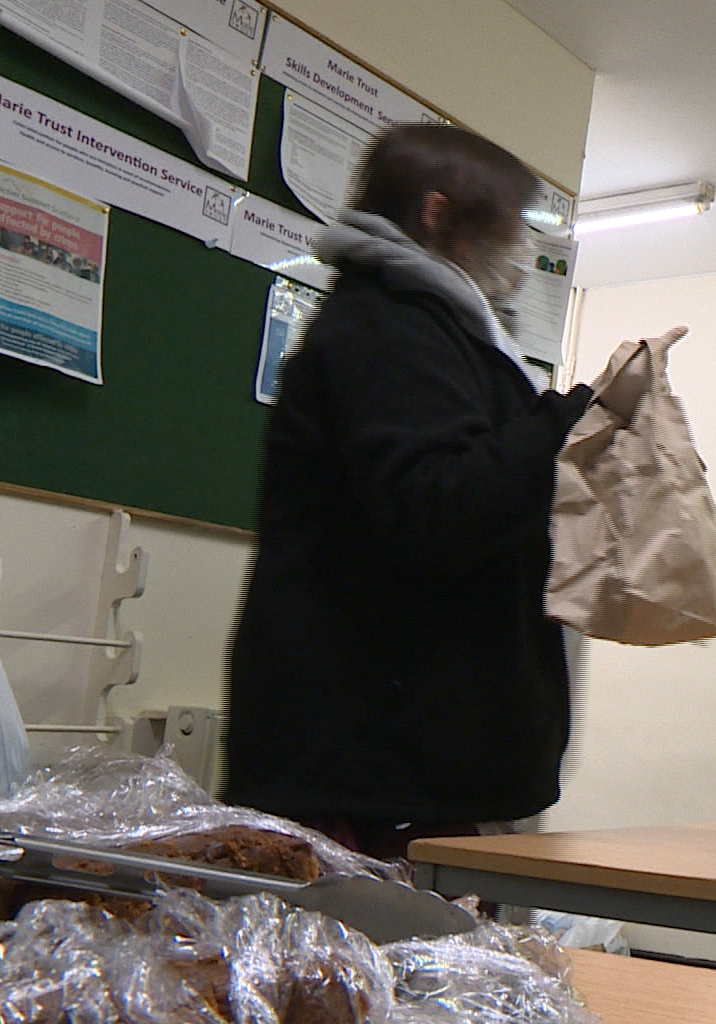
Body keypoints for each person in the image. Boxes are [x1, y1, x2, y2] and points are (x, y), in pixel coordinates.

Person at [225, 123, 660, 862]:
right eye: (509, 225)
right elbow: (442, 508)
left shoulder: (427, 327)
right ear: (437, 215)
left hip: (397, 766)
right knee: (378, 971)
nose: (523, 247)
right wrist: (568, 417)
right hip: (372, 775)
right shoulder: (388, 331)